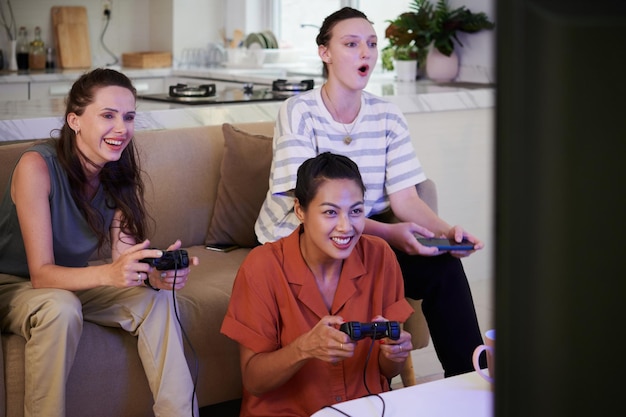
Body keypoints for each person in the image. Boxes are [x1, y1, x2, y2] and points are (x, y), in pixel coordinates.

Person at [255, 7, 485, 378]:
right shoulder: (298, 111)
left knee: (444, 267)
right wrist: (392, 234)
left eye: (372, 44)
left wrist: (446, 233)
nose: (365, 53)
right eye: (351, 44)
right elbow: (314, 206)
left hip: (362, 235)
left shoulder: (387, 115)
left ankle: (472, 380)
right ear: (324, 52)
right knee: (350, 238)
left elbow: (406, 200)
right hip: (303, 233)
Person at [0, 68, 198, 417]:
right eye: (108, 115)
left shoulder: (115, 169)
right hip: (14, 286)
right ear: (74, 120)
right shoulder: (37, 167)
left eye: (129, 117)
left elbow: (124, 258)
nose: (121, 128)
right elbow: (41, 276)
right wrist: (110, 273)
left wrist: (153, 275)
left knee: (158, 302)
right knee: (60, 308)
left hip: (69, 281)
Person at [221, 152, 414, 416]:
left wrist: (396, 355)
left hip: (364, 409)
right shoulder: (261, 267)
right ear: (300, 210)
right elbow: (254, 381)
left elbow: (387, 371)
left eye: (356, 211)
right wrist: (303, 348)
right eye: (330, 213)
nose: (346, 227)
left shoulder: (381, 257)